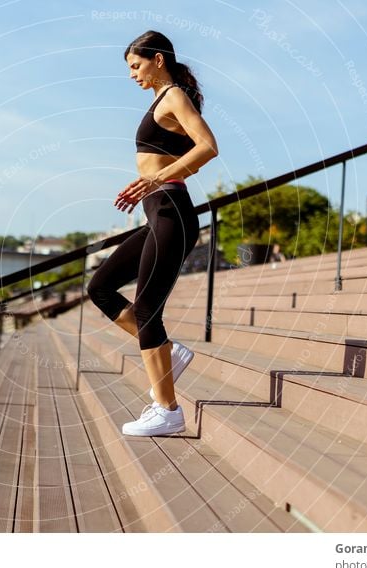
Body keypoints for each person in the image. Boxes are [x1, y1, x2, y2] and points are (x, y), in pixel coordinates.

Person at [87, 31, 218, 437]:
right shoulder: (163, 101)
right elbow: (186, 161)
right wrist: (151, 179)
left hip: (171, 214)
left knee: (146, 309)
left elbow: (208, 147)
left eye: (136, 65)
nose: (132, 75)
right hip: (159, 211)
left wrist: (156, 178)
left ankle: (167, 409)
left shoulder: (174, 95)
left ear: (158, 59)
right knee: (101, 287)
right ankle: (168, 351)